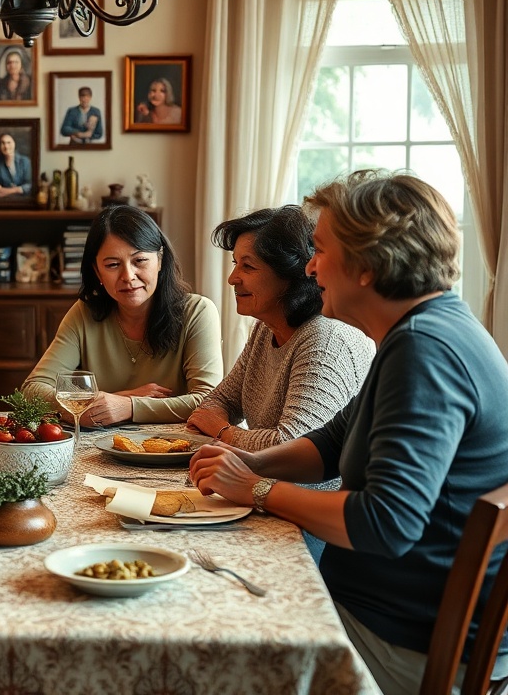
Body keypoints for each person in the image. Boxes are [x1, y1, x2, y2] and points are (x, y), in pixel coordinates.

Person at [188, 171, 508, 695]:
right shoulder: (423, 331)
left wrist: (257, 490)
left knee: (207, 639)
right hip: (383, 611)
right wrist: (252, 465)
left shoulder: (425, 352)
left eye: (319, 250)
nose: (310, 267)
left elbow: (386, 523)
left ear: (367, 264)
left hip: (404, 639)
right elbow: (331, 444)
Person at [186, 205, 373, 451]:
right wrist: (219, 425)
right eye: (235, 263)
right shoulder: (266, 328)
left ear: (291, 274)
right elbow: (219, 401)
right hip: (264, 478)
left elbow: (292, 446)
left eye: (248, 267)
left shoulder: (325, 340)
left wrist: (223, 432)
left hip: (312, 489)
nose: (232, 278)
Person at [22, 205, 223, 424]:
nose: (128, 276)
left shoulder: (197, 312)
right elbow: (33, 390)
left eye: (139, 261)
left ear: (160, 261)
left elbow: (208, 401)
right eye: (113, 265)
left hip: (174, 449)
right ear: (97, 271)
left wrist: (128, 407)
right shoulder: (84, 313)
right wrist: (117, 399)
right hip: (96, 449)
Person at [0, 132, 32, 198]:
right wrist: (18, 189)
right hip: (6, 202)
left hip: (24, 201)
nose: (6, 146)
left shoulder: (25, 161)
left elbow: (29, 185)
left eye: (9, 142)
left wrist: (13, 190)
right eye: (3, 143)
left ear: (14, 143)